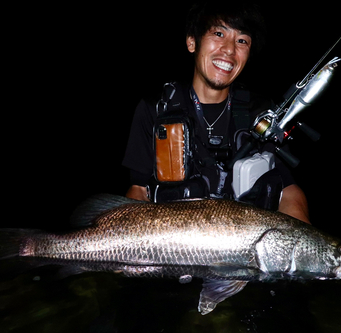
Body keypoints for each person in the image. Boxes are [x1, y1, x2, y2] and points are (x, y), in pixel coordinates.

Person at [122, 2, 310, 223]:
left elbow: (288, 190)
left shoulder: (260, 113)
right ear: (192, 42)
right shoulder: (154, 108)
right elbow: (138, 191)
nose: (230, 50)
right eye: (219, 33)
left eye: (242, 41)